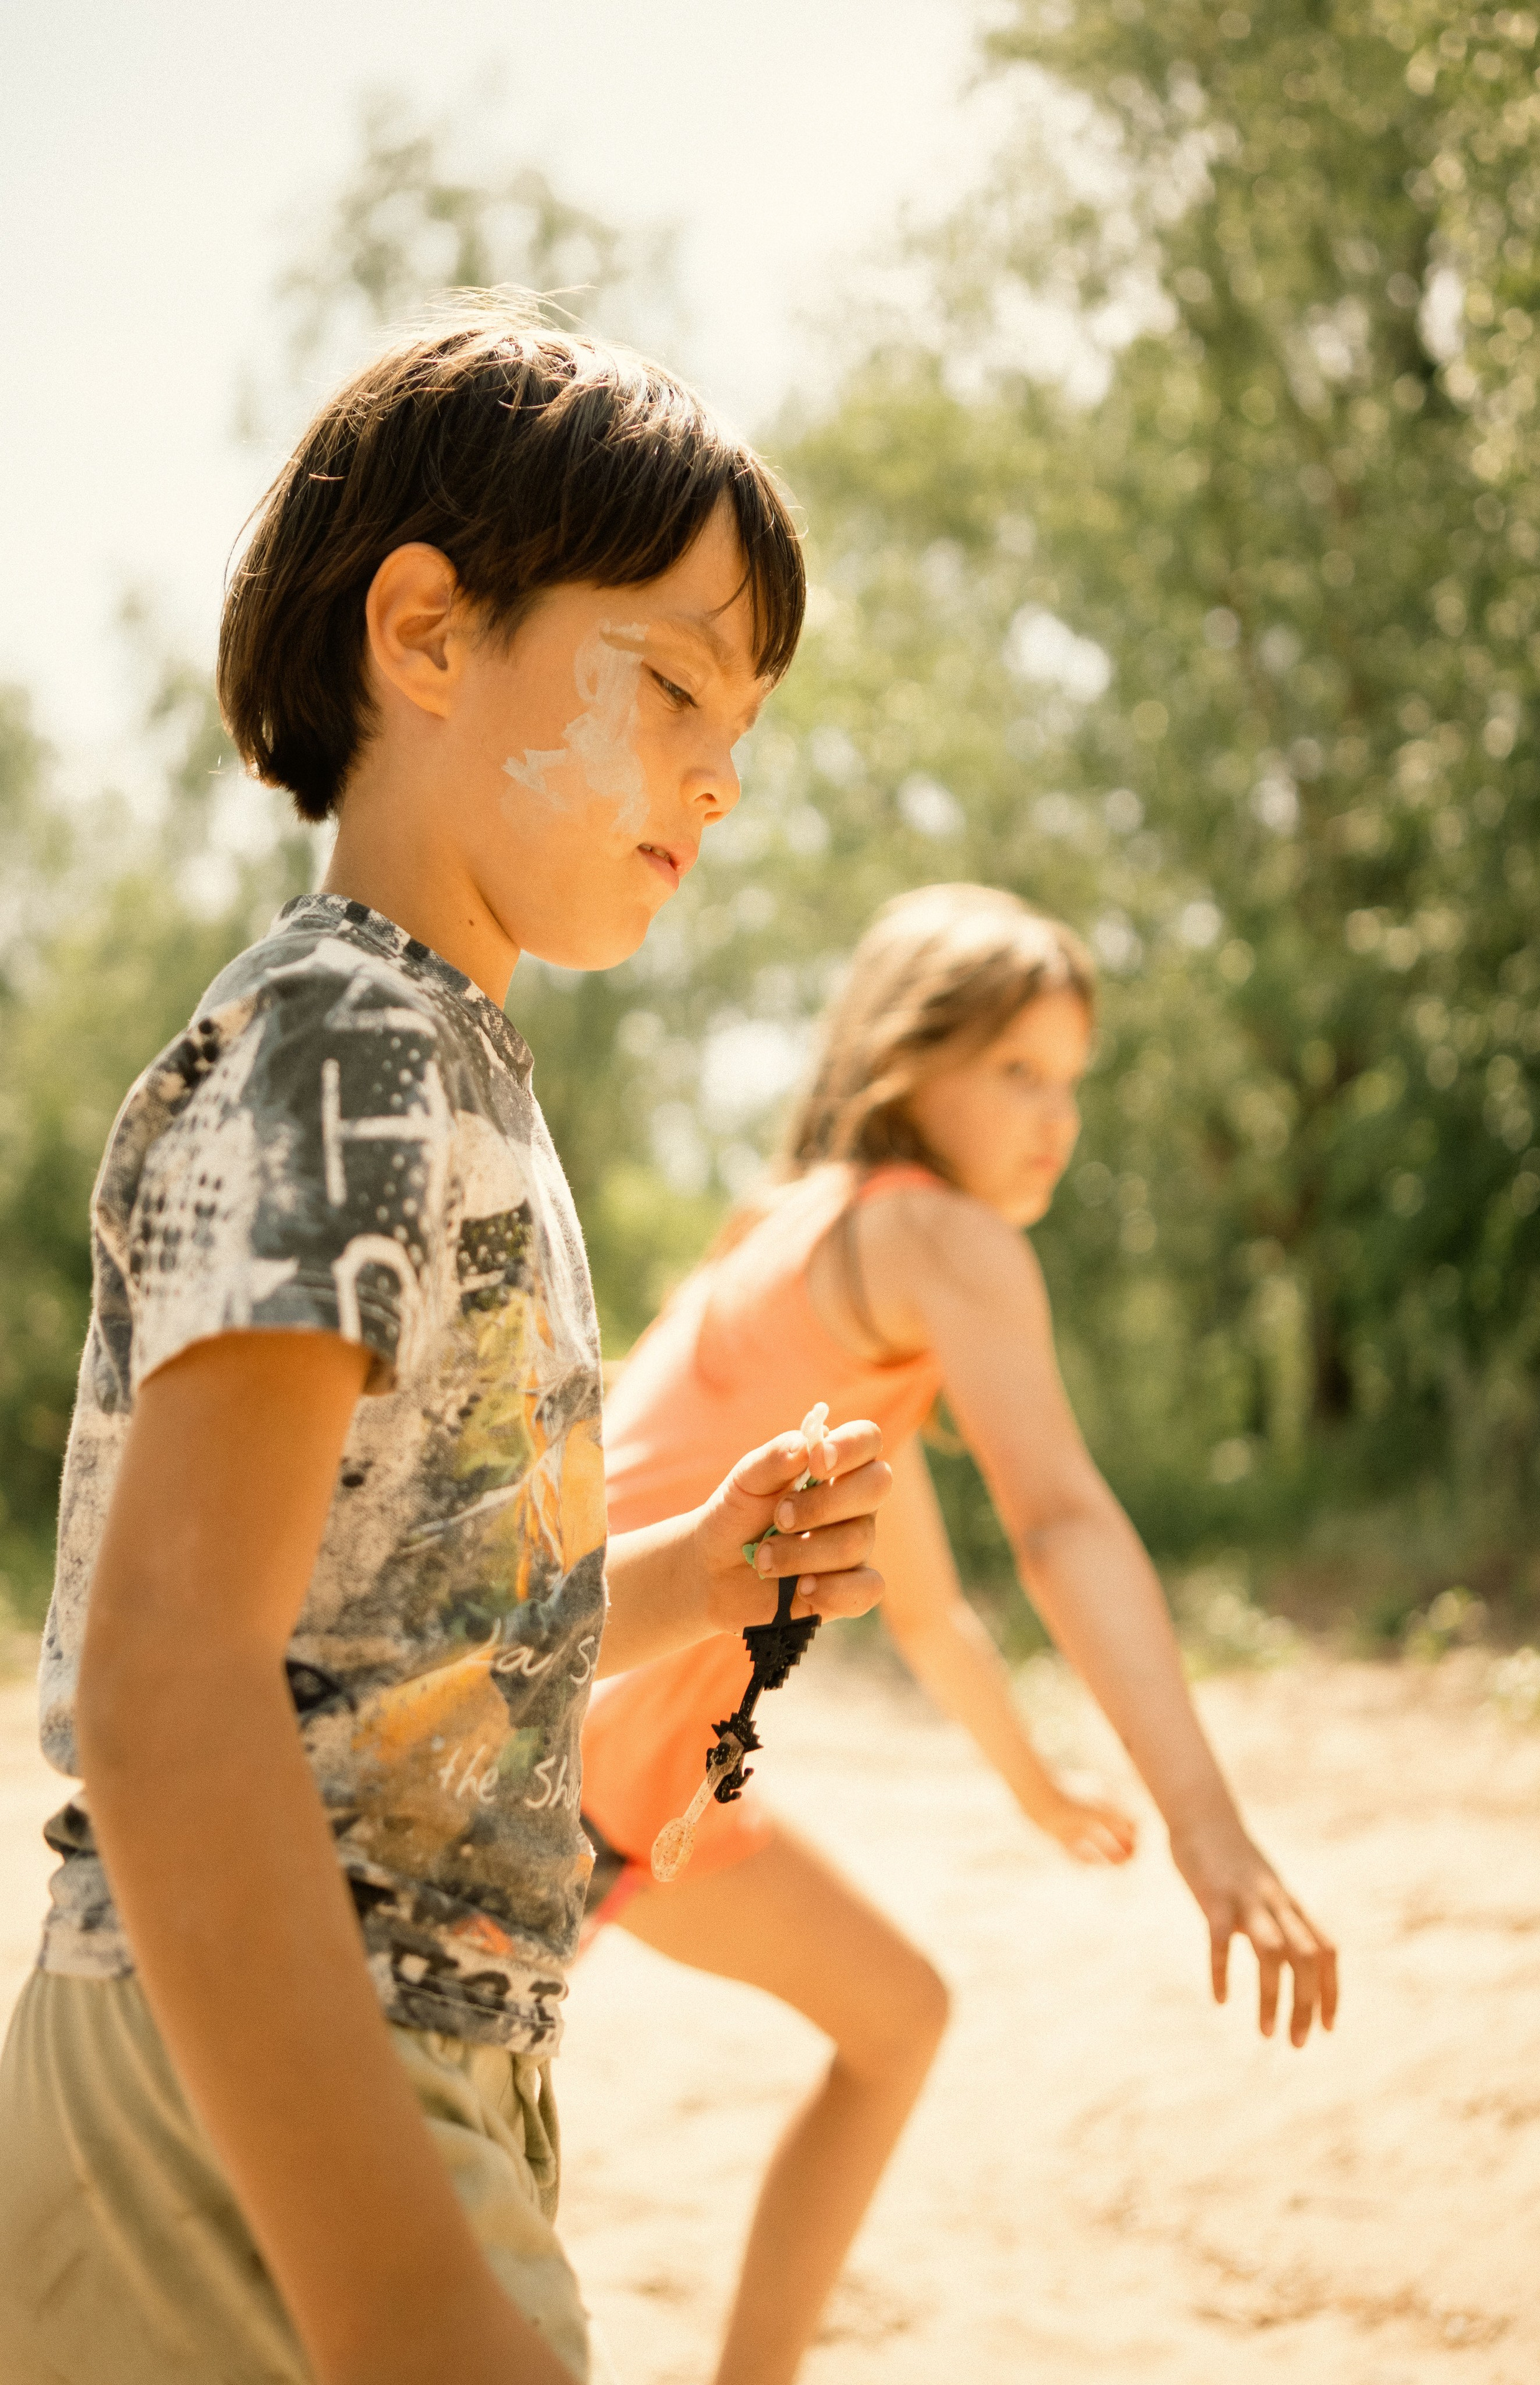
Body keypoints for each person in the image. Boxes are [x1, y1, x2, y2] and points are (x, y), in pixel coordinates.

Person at [0, 298, 894, 2385]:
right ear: (424, 631)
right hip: (265, 2059)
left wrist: (691, 1579)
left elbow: (384, 1626)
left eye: (739, 723)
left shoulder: (438, 1053)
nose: (721, 775)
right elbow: (167, 1679)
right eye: (669, 681)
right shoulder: (349, 1045)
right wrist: (401, 2287)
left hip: (369, 2035)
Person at [579, 881, 1340, 2385]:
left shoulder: (802, 1235)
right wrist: (1205, 1821)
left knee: (896, 2016)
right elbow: (1056, 1519)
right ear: (900, 1058)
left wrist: (1038, 1786)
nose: (1053, 1117)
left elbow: (924, 1609)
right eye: (1014, 1072)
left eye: (1070, 1080)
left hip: (591, 1749)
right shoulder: (939, 1241)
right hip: (582, 1761)